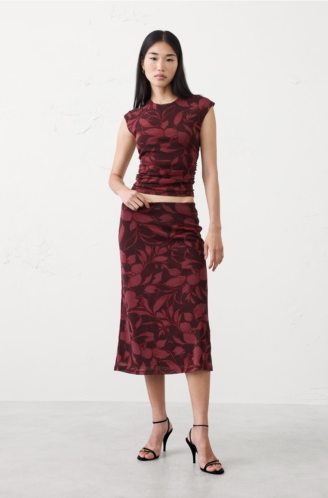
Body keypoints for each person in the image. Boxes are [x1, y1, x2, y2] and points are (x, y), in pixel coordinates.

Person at [108, 30, 224, 475]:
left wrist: (215, 227)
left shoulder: (200, 110)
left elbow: (210, 173)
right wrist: (125, 193)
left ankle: (201, 432)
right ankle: (159, 424)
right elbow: (114, 176)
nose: (161, 65)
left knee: (193, 328)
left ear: (179, 64)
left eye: (170, 58)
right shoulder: (133, 118)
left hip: (182, 225)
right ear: (143, 64)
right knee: (148, 328)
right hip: (139, 231)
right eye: (154, 58)